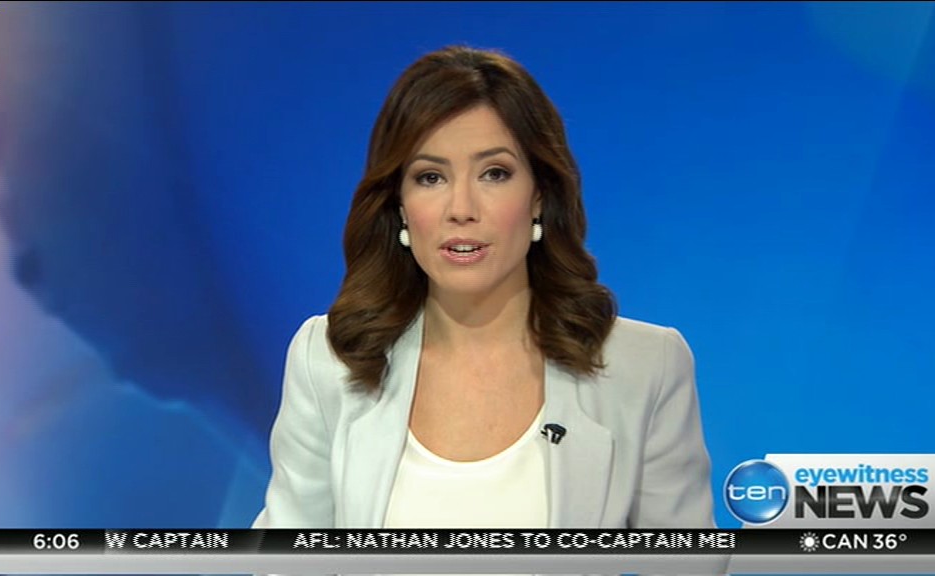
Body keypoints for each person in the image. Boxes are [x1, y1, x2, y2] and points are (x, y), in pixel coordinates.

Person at [253, 45, 716, 530]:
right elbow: (286, 556)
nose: (461, 209)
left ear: (539, 195)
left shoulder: (646, 367)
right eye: (430, 177)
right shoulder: (328, 360)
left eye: (494, 174)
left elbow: (687, 561)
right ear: (400, 206)